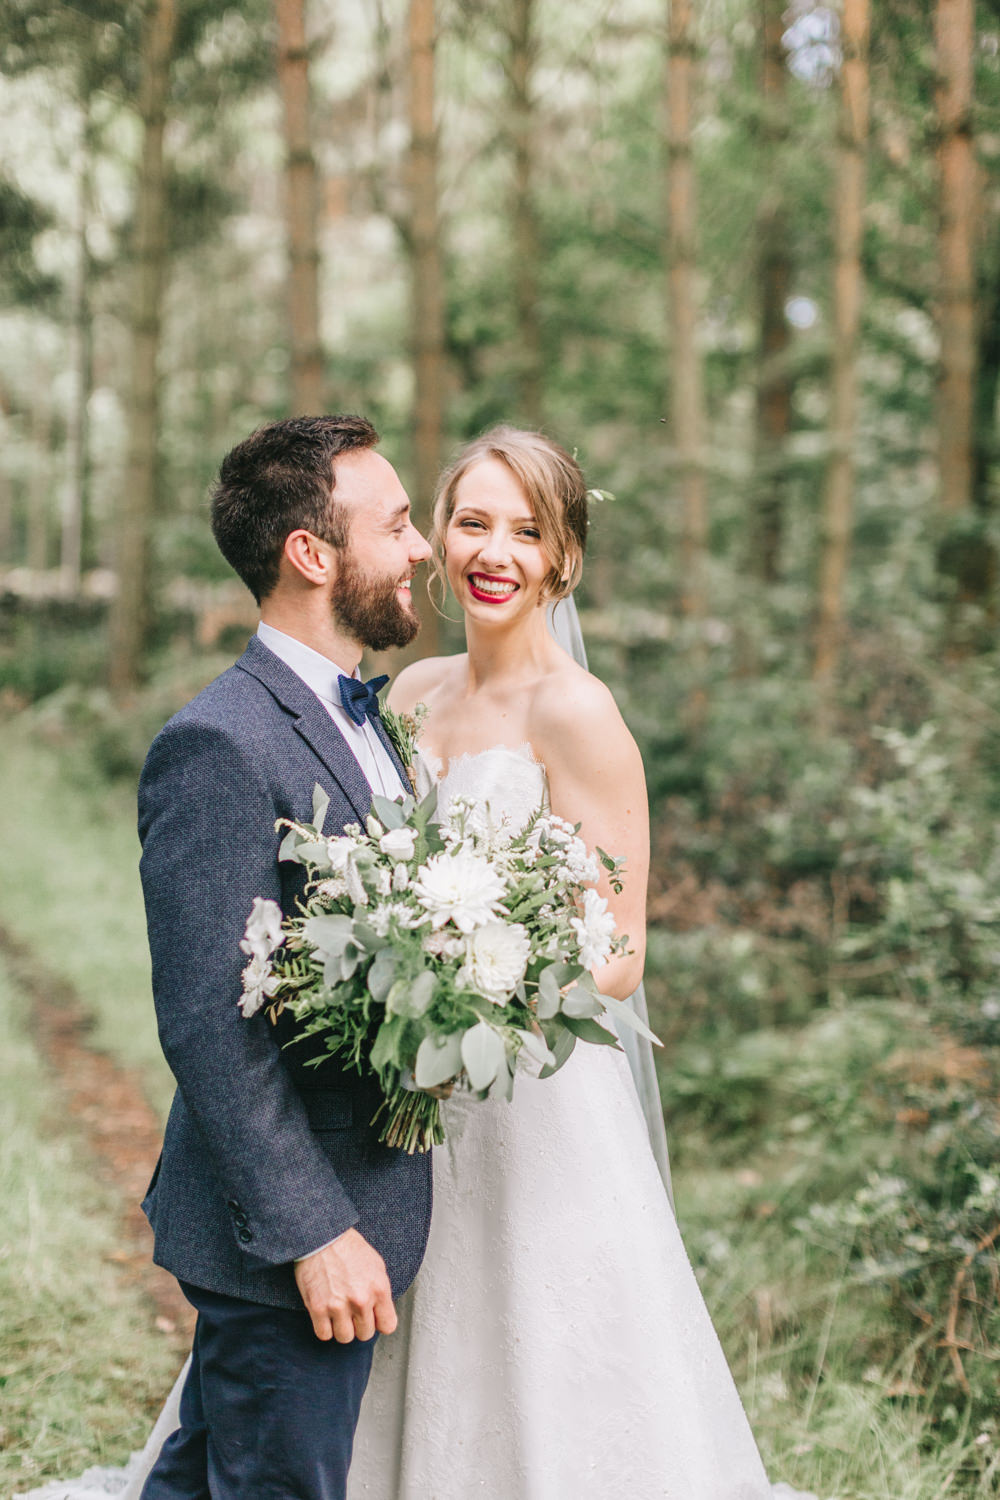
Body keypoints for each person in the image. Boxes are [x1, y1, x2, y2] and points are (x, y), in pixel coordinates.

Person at [21, 425, 808, 1500]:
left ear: (562, 558)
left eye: (526, 531)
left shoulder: (578, 715)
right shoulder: (402, 697)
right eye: (465, 521)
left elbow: (619, 950)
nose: (490, 550)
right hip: (382, 1118)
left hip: (521, 1103)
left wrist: (492, 986)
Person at [131, 414, 432, 1500]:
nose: (421, 547)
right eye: (395, 525)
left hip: (361, 1205)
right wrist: (313, 1234)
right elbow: (211, 1021)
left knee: (205, 1475)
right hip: (294, 1237)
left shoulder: (369, 718)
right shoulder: (219, 743)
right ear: (313, 553)